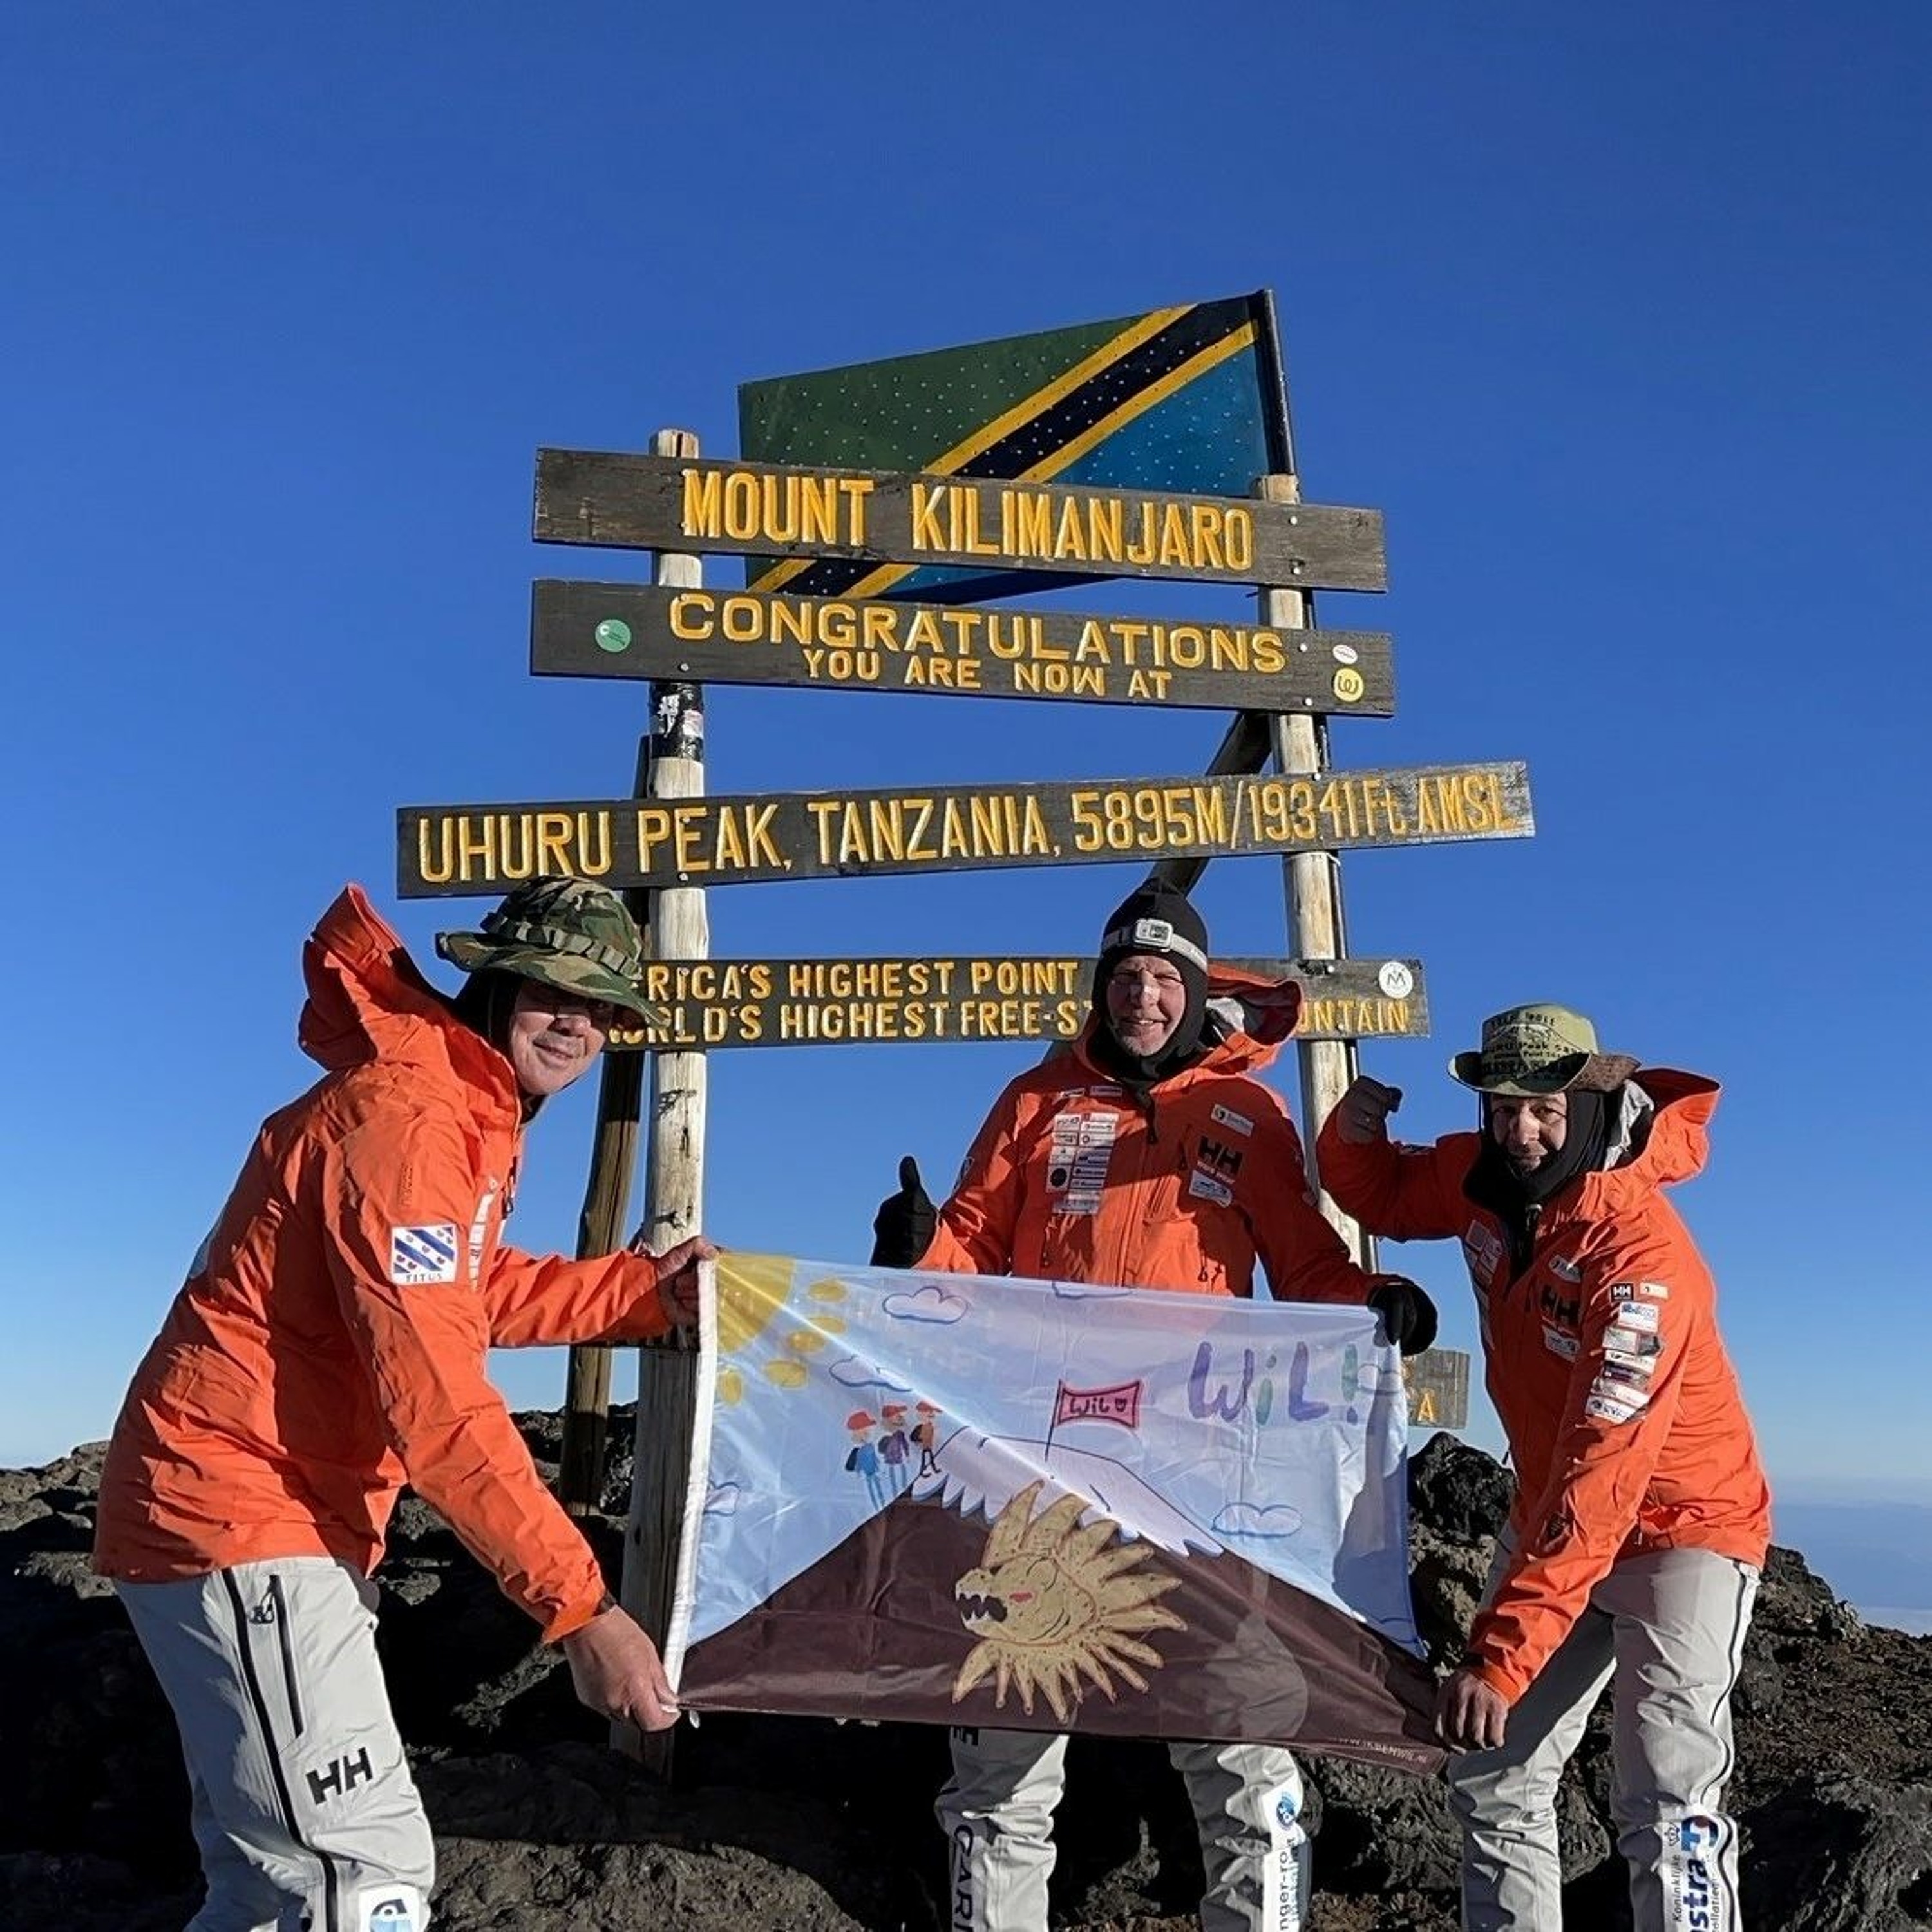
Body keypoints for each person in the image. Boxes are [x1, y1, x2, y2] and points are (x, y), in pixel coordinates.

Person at [94, 878, 716, 1932]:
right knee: (361, 1884)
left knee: (267, 1888)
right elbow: (437, 1400)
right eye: (547, 992)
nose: (575, 1023)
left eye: (601, 1007)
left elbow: (467, 1294)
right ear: (493, 985)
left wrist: (645, 1293)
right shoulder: (410, 1119)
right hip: (243, 1515)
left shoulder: (458, 1108)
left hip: (275, 1522)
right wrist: (582, 1611)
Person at [869, 880, 1437, 1932]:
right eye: (1125, 976)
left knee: (1241, 1754)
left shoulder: (1247, 1114)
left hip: (1200, 1478)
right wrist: (914, 1253)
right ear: (1101, 988)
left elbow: (1307, 1264)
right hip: (1034, 1474)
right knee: (1002, 1770)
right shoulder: (1033, 1102)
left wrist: (1373, 1302)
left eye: (1164, 978)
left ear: (1194, 991)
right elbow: (972, 1247)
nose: (1143, 996)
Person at [1317, 1003, 1770, 1932]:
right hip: (1553, 1514)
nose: (1519, 1131)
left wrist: (1501, 1655)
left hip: (1684, 1530)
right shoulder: (1485, 1179)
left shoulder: (1641, 1260)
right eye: (1501, 1107)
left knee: (1668, 1801)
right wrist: (1354, 1130)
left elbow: (1602, 1476)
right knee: (1493, 1771)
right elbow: (1388, 1195)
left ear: (1591, 1106)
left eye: (1544, 1110)